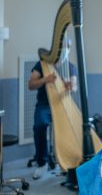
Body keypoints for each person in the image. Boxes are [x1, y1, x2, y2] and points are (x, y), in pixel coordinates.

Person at [28, 38, 77, 180]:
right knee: (40, 125)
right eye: (63, 46)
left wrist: (70, 86)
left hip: (62, 104)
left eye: (68, 47)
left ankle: (64, 161)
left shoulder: (70, 67)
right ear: (56, 49)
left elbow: (74, 86)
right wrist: (45, 80)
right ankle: (42, 163)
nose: (65, 49)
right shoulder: (42, 65)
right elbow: (31, 84)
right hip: (44, 105)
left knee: (67, 129)